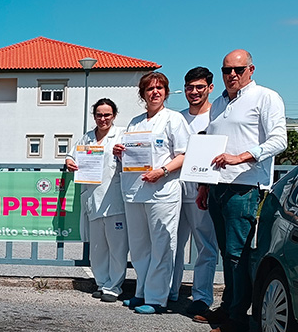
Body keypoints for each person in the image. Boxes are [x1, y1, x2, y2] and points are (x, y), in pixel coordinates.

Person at [195, 50, 286, 332]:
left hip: (245, 186)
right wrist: (203, 184)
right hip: (218, 185)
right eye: (226, 70)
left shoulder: (266, 97)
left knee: (238, 254)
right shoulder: (220, 102)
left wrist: (242, 156)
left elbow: (279, 140)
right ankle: (229, 306)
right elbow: (211, 143)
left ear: (251, 69)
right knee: (227, 252)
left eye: (238, 69)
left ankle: (237, 318)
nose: (231, 75)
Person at [113, 72, 190, 314]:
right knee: (139, 247)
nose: (155, 92)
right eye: (149, 89)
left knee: (162, 245)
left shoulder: (174, 119)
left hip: (162, 191)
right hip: (135, 191)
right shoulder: (135, 122)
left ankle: (157, 298)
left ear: (166, 92)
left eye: (159, 88)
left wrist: (163, 171)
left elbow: (185, 155)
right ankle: (141, 292)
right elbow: (131, 155)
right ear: (142, 94)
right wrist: (119, 152)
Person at [65, 98, 128, 303]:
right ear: (94, 116)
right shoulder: (87, 138)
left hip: (114, 199)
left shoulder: (122, 135)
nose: (103, 119)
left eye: (107, 115)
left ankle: (114, 286)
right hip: (92, 197)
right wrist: (69, 162)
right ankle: (101, 282)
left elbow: (135, 159)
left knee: (117, 246)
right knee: (98, 246)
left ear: (114, 116)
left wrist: (123, 154)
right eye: (99, 115)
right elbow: (71, 155)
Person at [169, 67, 219, 317]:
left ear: (210, 88)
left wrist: (206, 186)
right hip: (175, 188)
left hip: (203, 189)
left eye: (200, 87)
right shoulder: (177, 118)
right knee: (171, 243)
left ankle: (201, 297)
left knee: (205, 246)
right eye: (190, 87)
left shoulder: (217, 116)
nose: (194, 92)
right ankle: (170, 291)